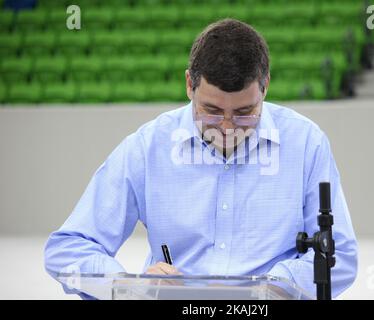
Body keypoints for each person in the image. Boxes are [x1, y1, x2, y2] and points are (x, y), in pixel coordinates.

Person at [44, 18, 357, 299]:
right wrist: (129, 286)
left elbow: (339, 255)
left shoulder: (306, 143)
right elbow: (68, 248)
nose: (227, 126)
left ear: (265, 87)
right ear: (188, 85)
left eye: (245, 112)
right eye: (212, 110)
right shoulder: (147, 146)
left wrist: (278, 286)